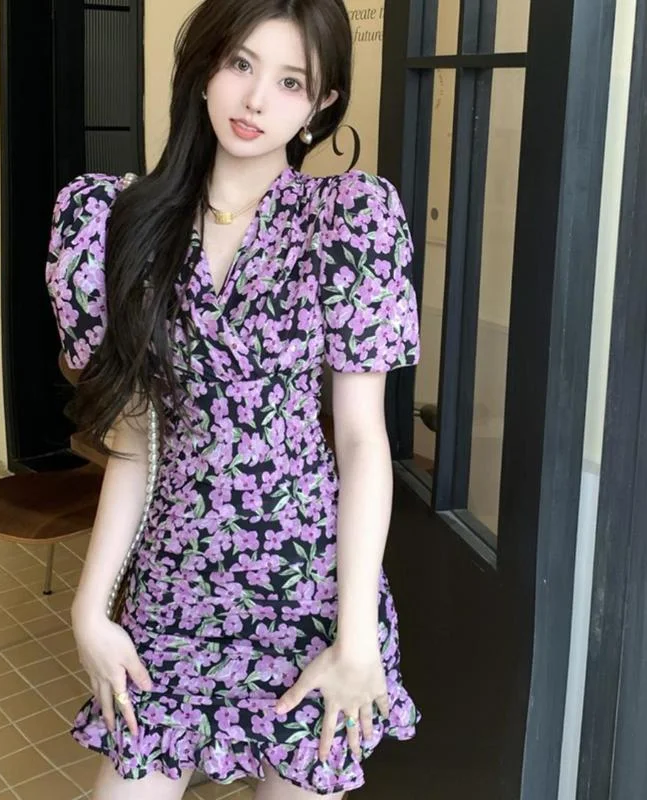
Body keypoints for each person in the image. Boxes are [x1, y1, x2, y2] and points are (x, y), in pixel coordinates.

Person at [45, 0, 421, 797]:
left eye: (291, 82)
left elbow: (362, 441)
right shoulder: (125, 221)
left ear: (321, 104)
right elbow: (136, 444)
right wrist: (90, 608)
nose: (255, 100)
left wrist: (356, 635)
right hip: (174, 592)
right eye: (241, 64)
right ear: (205, 66)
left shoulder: (345, 221)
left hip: (305, 593)